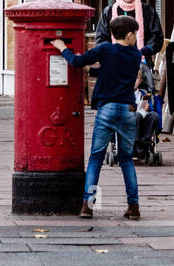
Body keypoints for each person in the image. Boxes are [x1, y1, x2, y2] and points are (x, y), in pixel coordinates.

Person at [51, 14, 143, 220]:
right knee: (127, 160)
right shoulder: (136, 55)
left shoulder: (105, 50)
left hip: (107, 109)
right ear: (129, 36)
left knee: (96, 158)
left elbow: (76, 61)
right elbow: (112, 71)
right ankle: (134, 207)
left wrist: (61, 48)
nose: (135, 37)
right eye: (135, 33)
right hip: (128, 110)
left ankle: (88, 206)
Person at [96, 0, 163, 74]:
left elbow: (157, 36)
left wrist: (144, 51)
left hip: (141, 63)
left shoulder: (147, 11)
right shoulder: (108, 12)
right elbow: (101, 38)